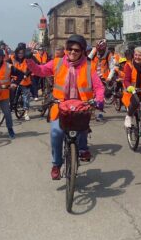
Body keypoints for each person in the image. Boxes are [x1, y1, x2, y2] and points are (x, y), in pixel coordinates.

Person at [26, 34, 104, 180]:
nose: (72, 52)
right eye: (70, 49)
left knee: (82, 129)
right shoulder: (57, 62)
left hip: (81, 107)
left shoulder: (89, 67)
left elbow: (99, 87)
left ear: (82, 51)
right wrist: (29, 59)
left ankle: (82, 148)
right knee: (56, 133)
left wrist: (99, 100)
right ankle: (56, 164)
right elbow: (40, 71)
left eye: (76, 50)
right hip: (60, 106)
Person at [11, 43, 32, 121]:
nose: (20, 55)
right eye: (19, 53)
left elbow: (30, 68)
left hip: (25, 80)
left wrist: (26, 74)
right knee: (11, 91)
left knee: (26, 98)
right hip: (16, 80)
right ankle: (12, 105)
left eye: (22, 53)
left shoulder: (27, 59)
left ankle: (26, 113)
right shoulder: (13, 59)